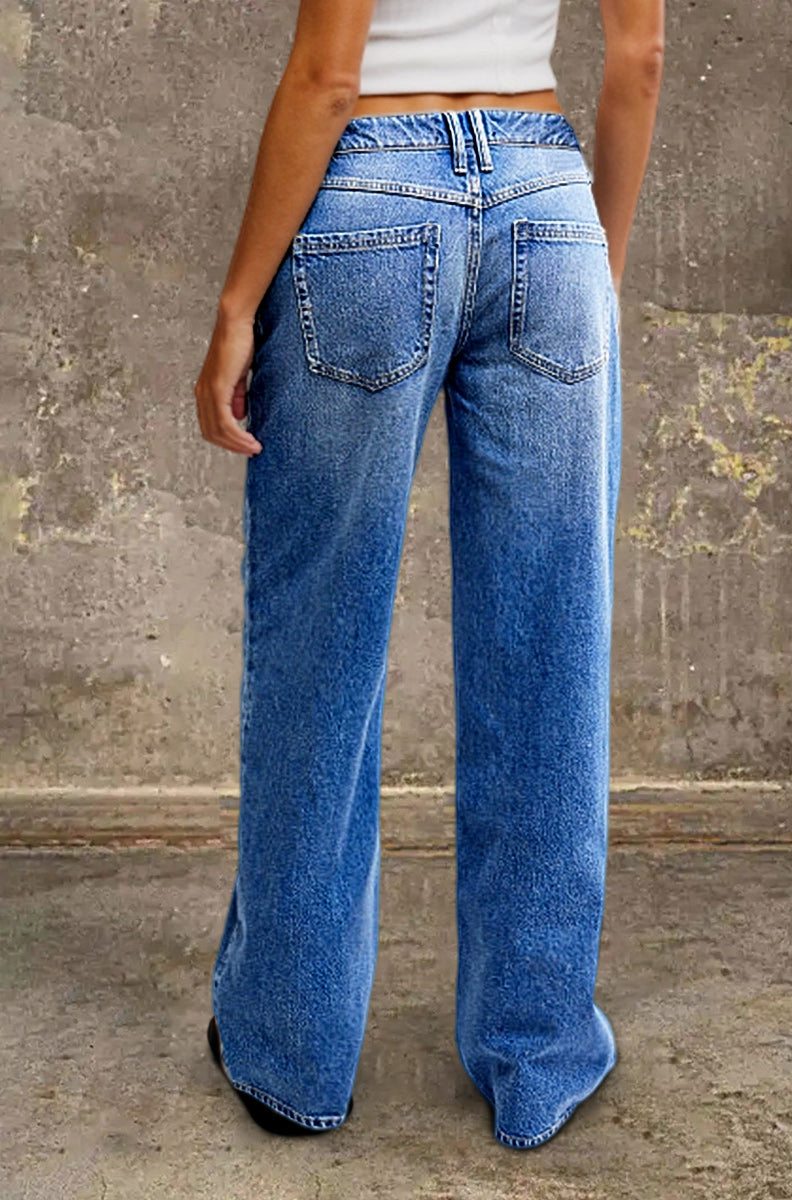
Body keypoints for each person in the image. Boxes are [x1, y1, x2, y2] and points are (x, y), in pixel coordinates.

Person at [194, 0, 664, 1150]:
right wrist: (594, 268)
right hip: (548, 207)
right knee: (548, 655)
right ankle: (536, 1059)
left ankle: (291, 1053)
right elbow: (638, 56)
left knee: (319, 647)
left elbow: (327, 77)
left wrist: (237, 304)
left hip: (372, 203)